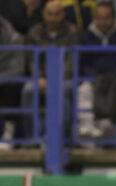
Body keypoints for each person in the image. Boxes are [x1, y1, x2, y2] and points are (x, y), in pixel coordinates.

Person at [78, 1, 116, 138]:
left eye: (106, 17)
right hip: (96, 79)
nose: (103, 21)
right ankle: (87, 127)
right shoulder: (87, 35)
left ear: (114, 18)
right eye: (99, 17)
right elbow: (83, 63)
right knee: (83, 89)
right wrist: (93, 76)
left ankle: (104, 122)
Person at [20, 0, 78, 139]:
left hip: (65, 79)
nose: (52, 18)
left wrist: (55, 80)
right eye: (49, 14)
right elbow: (33, 60)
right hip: (41, 79)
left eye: (56, 14)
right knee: (28, 90)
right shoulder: (35, 32)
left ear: (63, 15)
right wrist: (39, 78)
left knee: (63, 90)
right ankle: (32, 138)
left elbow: (71, 62)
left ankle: (58, 138)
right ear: (43, 14)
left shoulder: (72, 32)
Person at [0, 15, 25, 147]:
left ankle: (8, 133)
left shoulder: (11, 36)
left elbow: (17, 68)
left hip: (7, 77)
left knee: (13, 87)